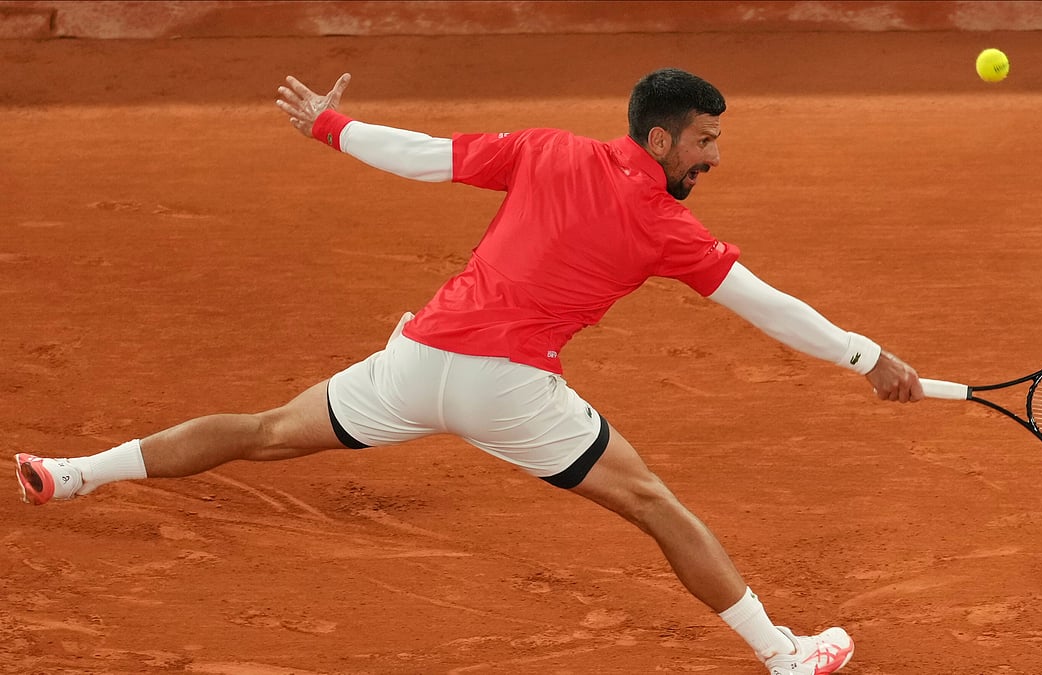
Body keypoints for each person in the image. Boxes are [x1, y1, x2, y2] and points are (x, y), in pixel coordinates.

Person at [15, 68, 924, 674]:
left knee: (262, 431)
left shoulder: (546, 148)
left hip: (415, 362)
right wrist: (868, 356)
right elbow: (768, 305)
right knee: (654, 504)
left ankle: (72, 473)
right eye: (704, 141)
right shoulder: (669, 227)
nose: (715, 157)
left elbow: (427, 156)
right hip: (510, 387)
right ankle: (783, 655)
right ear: (658, 140)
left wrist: (328, 125)